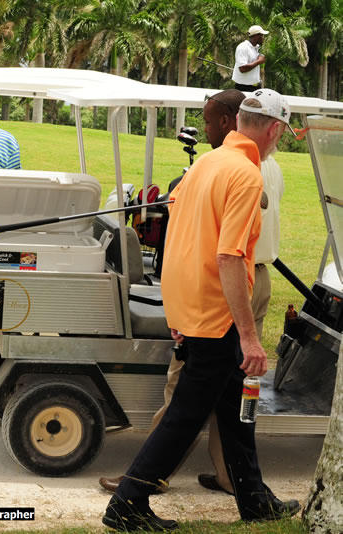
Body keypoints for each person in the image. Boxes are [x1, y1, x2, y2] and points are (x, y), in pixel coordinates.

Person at [102, 89, 300, 531]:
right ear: (273, 130)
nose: (279, 143)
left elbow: (174, 245)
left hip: (197, 312)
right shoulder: (248, 176)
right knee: (184, 418)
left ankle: (254, 499)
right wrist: (249, 336)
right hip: (218, 318)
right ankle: (127, 504)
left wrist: (177, 312)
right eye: (282, 135)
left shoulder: (204, 165)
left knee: (235, 413)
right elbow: (230, 257)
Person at [98, 88, 248, 496]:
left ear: (230, 120)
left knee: (196, 397)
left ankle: (145, 480)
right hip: (213, 294)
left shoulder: (243, 168)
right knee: (210, 396)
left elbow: (228, 253)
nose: (203, 126)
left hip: (230, 291)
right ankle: (232, 483)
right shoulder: (218, 165)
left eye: (209, 117)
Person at [233, 25, 269, 92]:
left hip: (255, 87)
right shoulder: (243, 47)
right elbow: (242, 68)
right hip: (243, 88)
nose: (263, 38)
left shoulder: (255, 48)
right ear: (256, 36)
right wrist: (259, 61)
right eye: (262, 35)